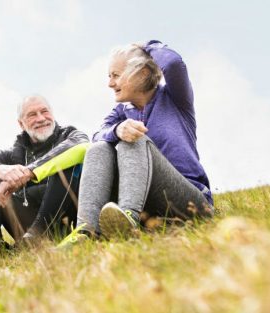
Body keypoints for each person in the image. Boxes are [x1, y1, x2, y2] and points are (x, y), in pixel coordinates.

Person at [59, 40, 214, 247]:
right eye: (109, 76)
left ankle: (129, 217)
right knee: (100, 147)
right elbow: (97, 135)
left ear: (141, 73)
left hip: (190, 200)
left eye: (115, 75)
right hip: (150, 204)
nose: (110, 83)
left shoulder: (176, 98)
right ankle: (86, 230)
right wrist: (117, 130)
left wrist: (148, 45)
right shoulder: (121, 112)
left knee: (133, 139)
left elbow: (174, 64)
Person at [0, 95, 89, 243]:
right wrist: (0, 170)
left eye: (44, 111)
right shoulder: (14, 154)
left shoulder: (70, 135)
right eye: (32, 115)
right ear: (21, 124)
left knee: (66, 162)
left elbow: (83, 146)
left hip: (64, 221)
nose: (41, 118)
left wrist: (29, 172)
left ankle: (37, 236)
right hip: (25, 223)